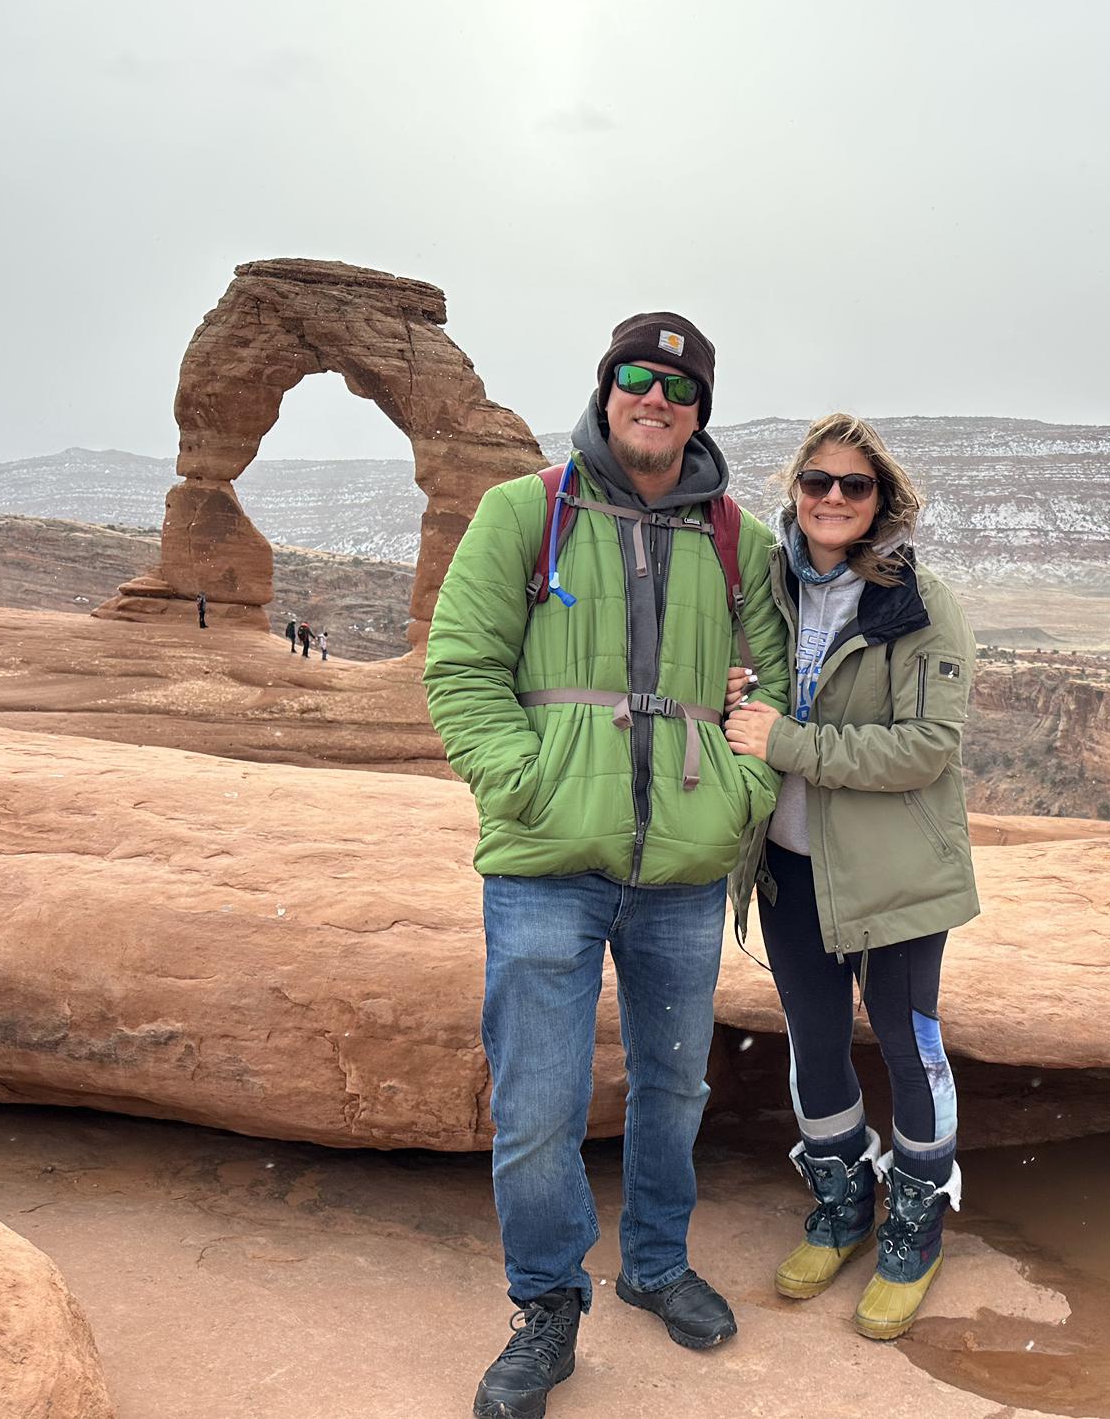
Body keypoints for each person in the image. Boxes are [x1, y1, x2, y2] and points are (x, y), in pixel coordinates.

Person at [424, 313, 790, 1419]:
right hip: (546, 864)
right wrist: (521, 782)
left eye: (678, 386)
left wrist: (738, 798)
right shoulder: (524, 512)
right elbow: (461, 667)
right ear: (607, 389)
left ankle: (655, 1262)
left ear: (698, 410)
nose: (655, 397)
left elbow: (773, 694)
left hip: (681, 869)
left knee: (673, 1085)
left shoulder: (738, 540)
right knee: (539, 1100)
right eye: (636, 377)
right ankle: (545, 1305)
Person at [723, 414, 977, 1342]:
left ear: (882, 503)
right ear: (795, 491)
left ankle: (915, 1223)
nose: (833, 498)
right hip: (791, 866)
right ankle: (841, 1201)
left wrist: (787, 740)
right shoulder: (773, 589)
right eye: (817, 481)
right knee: (816, 1042)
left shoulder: (919, 602)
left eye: (854, 486)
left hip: (897, 875)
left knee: (911, 1049)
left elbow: (929, 747)